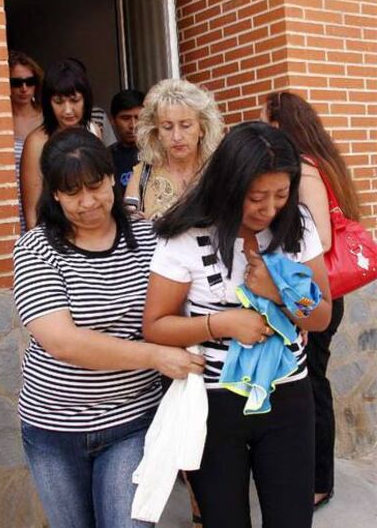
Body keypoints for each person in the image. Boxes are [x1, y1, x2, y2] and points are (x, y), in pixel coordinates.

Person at [142, 122, 332, 528]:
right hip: (215, 404)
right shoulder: (186, 234)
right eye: (256, 198)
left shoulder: (297, 224)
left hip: (289, 398)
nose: (269, 210)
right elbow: (156, 325)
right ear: (228, 186)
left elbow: (321, 315)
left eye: (281, 195)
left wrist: (278, 292)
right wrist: (221, 323)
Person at [13, 127, 204, 528]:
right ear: (54, 194)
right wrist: (154, 356)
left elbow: (190, 301)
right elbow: (62, 341)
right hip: (54, 428)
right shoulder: (36, 248)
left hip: (132, 422)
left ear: (111, 180)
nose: (87, 202)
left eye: (95, 185)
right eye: (71, 192)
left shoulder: (150, 237)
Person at [261, 91, 361, 509]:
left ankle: (320, 481)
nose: (263, 130)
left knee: (313, 384)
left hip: (313, 291)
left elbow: (317, 237)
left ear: (283, 125)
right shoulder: (319, 161)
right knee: (311, 380)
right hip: (313, 291)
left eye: (266, 122)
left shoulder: (305, 168)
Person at [20, 58, 101, 230]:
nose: (68, 110)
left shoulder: (93, 131)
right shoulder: (37, 142)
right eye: (58, 102)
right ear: (48, 103)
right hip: (53, 233)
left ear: (86, 99)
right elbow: (32, 211)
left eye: (74, 100)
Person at [125, 78, 224, 219]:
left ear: (202, 128)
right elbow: (131, 230)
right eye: (167, 127)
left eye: (186, 125)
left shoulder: (219, 170)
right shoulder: (142, 175)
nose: (177, 136)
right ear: (157, 132)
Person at [8, 50, 43, 233]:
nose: (24, 88)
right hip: (11, 205)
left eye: (30, 82)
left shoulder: (47, 118)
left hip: (44, 204)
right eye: (16, 83)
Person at [107, 89, 145, 193]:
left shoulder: (158, 154)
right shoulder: (106, 158)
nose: (133, 125)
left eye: (138, 117)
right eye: (125, 118)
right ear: (113, 121)